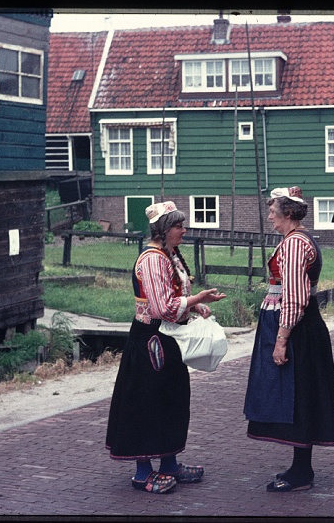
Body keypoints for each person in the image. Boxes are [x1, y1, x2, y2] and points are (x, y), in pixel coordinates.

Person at [105, 201, 226, 494]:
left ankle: (170, 463)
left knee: (171, 398)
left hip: (168, 337)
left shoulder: (168, 255)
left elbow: (173, 299)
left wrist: (195, 308)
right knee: (148, 401)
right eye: (178, 225)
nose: (184, 230)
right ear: (163, 229)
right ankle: (143, 472)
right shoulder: (153, 260)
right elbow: (161, 307)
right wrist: (197, 300)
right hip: (151, 340)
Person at [243, 186, 334, 493]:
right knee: (295, 393)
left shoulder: (296, 244)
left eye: (273, 210)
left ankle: (302, 472)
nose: (269, 215)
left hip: (296, 328)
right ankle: (301, 466)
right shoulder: (291, 241)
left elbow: (296, 298)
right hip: (294, 325)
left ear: (288, 212)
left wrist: (282, 339)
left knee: (298, 393)